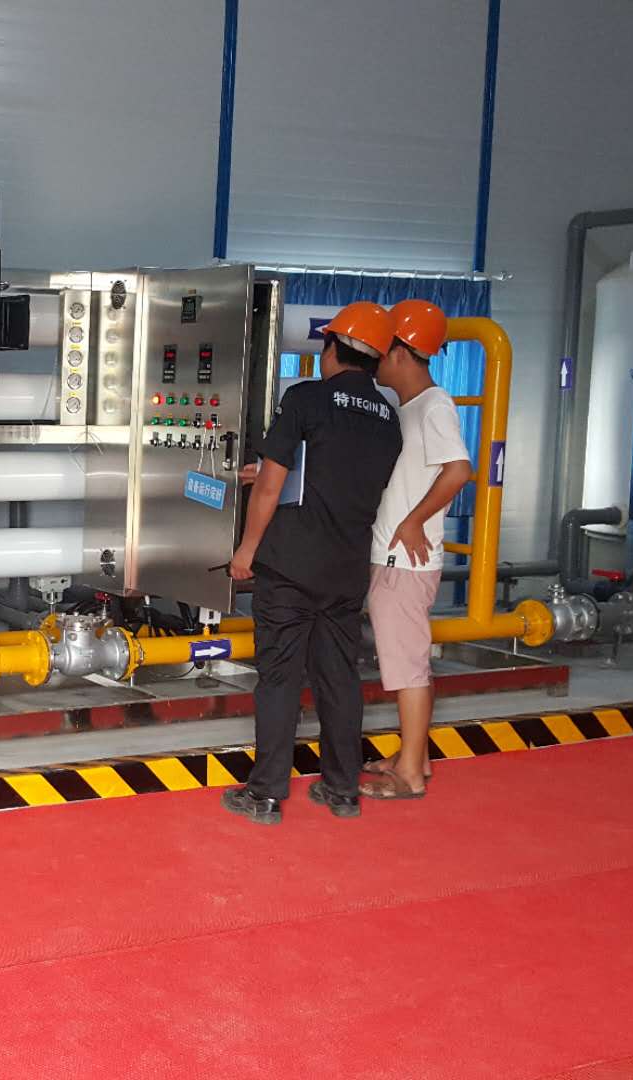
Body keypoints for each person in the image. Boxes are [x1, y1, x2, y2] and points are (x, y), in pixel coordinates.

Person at [222, 301, 403, 824]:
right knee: (339, 679)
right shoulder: (388, 418)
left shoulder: (306, 399)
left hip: (291, 568)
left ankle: (265, 795)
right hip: (346, 569)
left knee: (280, 677)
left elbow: (272, 487)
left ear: (333, 348)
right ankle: (342, 790)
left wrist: (246, 551)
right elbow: (339, 477)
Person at [359, 299, 473, 801]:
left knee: (407, 667)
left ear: (402, 353)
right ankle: (413, 756)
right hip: (393, 557)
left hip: (405, 560)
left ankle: (408, 774)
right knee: (405, 662)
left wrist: (412, 521)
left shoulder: (434, 405)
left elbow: (459, 470)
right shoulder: (409, 408)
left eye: (381, 351)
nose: (375, 361)